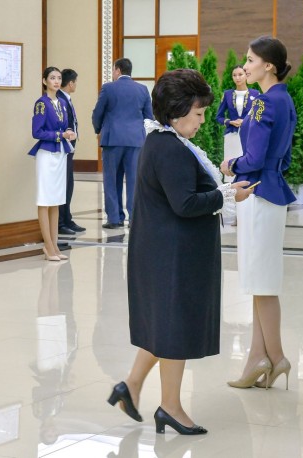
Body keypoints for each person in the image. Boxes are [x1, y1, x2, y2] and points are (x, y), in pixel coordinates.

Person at [107, 69, 252, 434]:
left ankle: (131, 386)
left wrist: (225, 193)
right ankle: (170, 407)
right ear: (178, 110)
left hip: (166, 251)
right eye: (198, 113)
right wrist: (227, 194)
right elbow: (185, 203)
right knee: (173, 330)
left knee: (164, 326)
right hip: (172, 256)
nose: (202, 120)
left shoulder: (165, 141)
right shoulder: (169, 148)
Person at [220, 36, 297, 390]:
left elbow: (254, 157)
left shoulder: (264, 102)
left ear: (269, 66)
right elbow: (284, 156)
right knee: (259, 281)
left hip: (257, 193)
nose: (245, 66)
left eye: (251, 60)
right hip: (270, 189)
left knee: (262, 282)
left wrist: (231, 164)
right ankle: (257, 357)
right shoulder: (283, 99)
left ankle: (276, 357)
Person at [92, 58, 153, 229]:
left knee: (111, 179)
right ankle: (134, 218)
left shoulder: (108, 88)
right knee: (134, 180)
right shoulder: (142, 89)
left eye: (113, 70)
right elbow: (149, 117)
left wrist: (98, 129)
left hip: (112, 139)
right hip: (135, 141)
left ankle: (114, 218)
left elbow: (98, 113)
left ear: (118, 70)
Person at [28, 67, 77, 261]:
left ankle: (55, 246)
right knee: (44, 200)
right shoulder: (42, 104)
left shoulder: (62, 103)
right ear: (44, 81)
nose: (56, 81)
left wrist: (69, 132)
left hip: (60, 155)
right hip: (46, 155)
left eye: (58, 78)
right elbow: (37, 132)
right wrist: (60, 135)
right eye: (52, 78)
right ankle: (47, 246)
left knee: (56, 200)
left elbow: (64, 126)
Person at [216, 65, 260, 183]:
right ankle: (231, 190)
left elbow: (259, 116)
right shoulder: (227, 94)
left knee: (247, 162)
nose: (237, 78)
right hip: (232, 135)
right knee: (230, 165)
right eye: (234, 75)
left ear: (246, 75)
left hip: (249, 135)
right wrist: (230, 122)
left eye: (240, 74)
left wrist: (246, 121)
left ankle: (248, 188)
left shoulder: (256, 94)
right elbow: (219, 117)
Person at [56, 69, 86, 236]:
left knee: (69, 183)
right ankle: (60, 222)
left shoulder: (65, 98)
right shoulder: (60, 99)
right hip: (64, 146)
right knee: (64, 184)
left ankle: (67, 218)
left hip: (69, 147)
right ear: (71, 83)